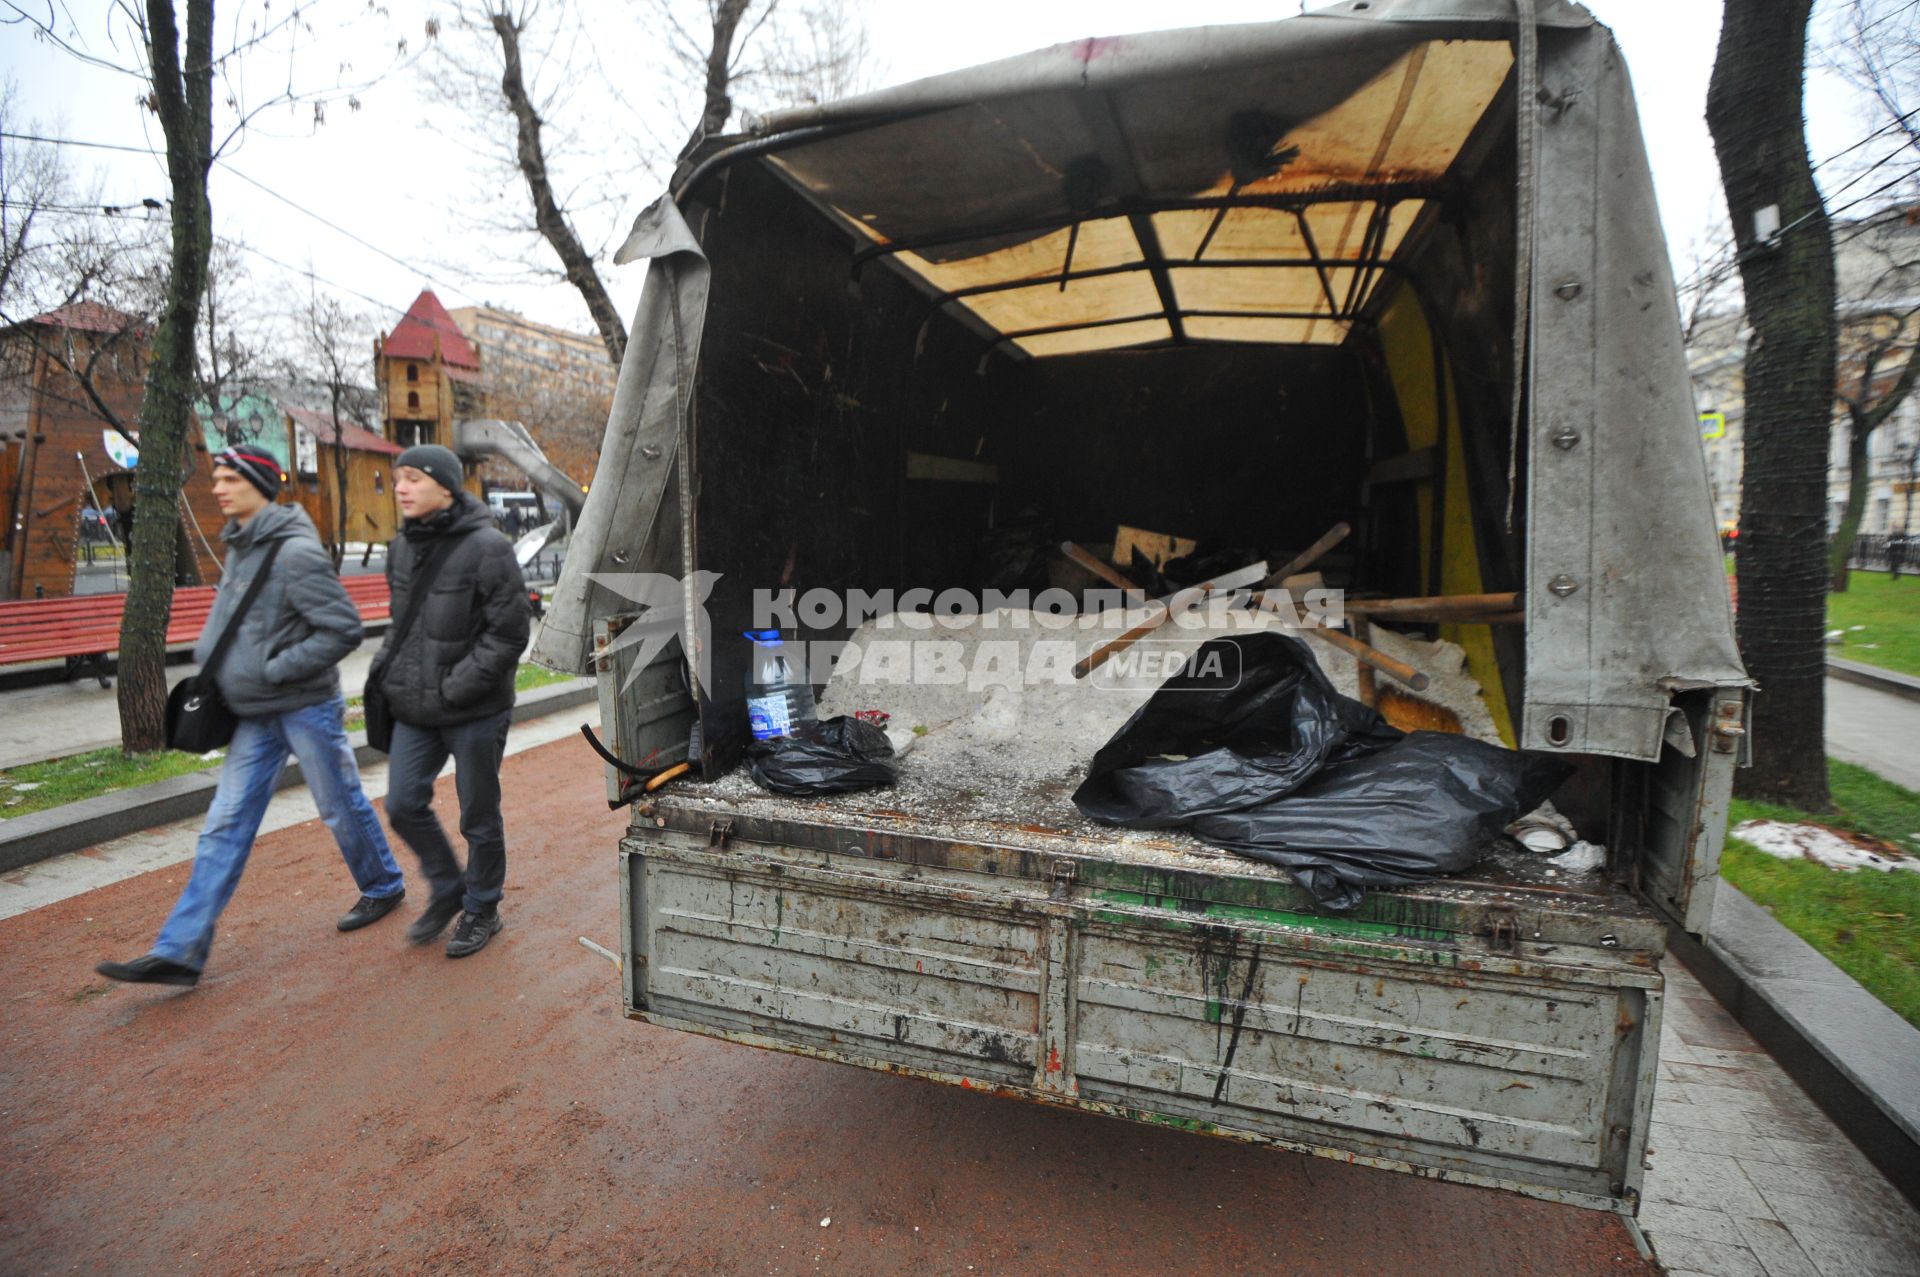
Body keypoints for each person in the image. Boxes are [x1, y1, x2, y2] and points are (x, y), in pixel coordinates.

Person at [97, 450, 408, 988]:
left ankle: (382, 884)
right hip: (253, 714)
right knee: (225, 823)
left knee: (338, 806)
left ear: (259, 484)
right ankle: (180, 950)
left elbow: (342, 629)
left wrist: (269, 669)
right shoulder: (240, 543)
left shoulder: (294, 553)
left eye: (229, 478)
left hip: (306, 706)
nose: (218, 487)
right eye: (215, 477)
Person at [374, 445, 529, 958]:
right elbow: (403, 627)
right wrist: (394, 679)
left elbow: (508, 636)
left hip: (475, 708)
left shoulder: (488, 547)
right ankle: (447, 888)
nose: (401, 488)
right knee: (401, 803)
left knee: (478, 816)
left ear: (445, 485)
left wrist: (454, 687)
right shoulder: (401, 547)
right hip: (417, 708)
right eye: (398, 478)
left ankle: (482, 907)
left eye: (413, 478)